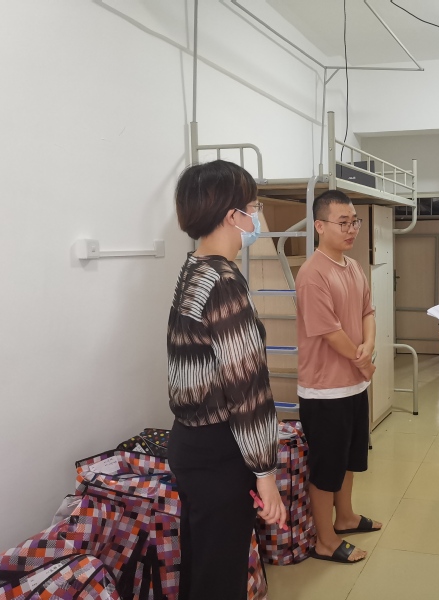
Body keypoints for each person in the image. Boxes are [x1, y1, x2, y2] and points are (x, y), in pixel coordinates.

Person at [167, 160, 286, 600]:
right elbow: (246, 386)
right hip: (220, 450)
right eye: (253, 206)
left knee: (204, 566)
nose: (256, 216)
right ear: (233, 215)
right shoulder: (222, 281)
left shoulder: (194, 267)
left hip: (190, 442)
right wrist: (264, 472)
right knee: (220, 577)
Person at [295, 190, 380, 564]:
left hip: (354, 384)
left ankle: (345, 517)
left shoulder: (354, 267)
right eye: (343, 223)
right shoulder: (312, 273)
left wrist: (369, 346)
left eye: (354, 222)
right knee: (326, 468)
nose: (351, 229)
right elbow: (329, 333)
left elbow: (367, 312)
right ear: (319, 225)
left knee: (349, 458)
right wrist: (363, 362)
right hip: (324, 391)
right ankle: (325, 540)